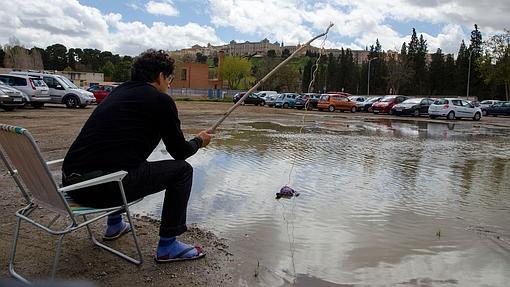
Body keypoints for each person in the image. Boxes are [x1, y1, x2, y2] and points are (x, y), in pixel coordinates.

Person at [62, 49, 213, 262]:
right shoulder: (160, 101)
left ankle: (114, 225)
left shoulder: (117, 93)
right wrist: (199, 141)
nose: (168, 84)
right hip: (100, 190)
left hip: (71, 185)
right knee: (182, 171)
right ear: (161, 76)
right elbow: (179, 152)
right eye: (169, 79)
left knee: (126, 160)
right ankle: (168, 246)